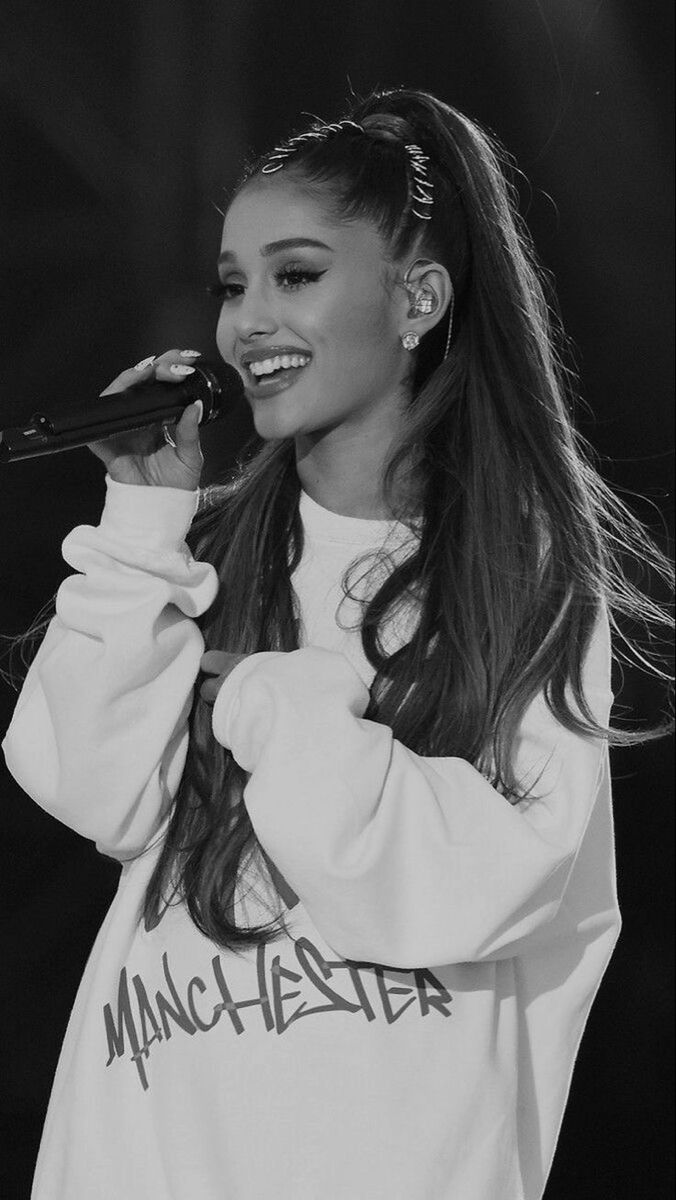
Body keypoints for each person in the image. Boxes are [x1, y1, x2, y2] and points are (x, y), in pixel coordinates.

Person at [2, 87, 673, 1200]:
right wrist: (143, 517)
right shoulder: (200, 547)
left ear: (418, 297)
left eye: (295, 275)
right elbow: (86, 782)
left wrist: (280, 705)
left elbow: (482, 886)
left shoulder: (523, 573)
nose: (245, 321)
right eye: (232, 285)